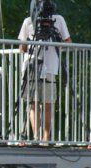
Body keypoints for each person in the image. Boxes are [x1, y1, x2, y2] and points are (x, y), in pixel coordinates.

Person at [18, 4, 71, 141]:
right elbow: (22, 47)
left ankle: (46, 138)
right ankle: (36, 136)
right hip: (31, 66)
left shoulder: (58, 20)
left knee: (48, 103)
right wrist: (29, 41)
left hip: (51, 67)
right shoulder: (28, 21)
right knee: (33, 103)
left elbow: (68, 42)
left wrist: (55, 38)